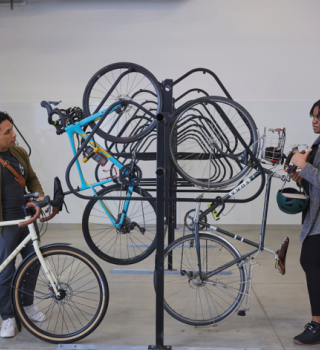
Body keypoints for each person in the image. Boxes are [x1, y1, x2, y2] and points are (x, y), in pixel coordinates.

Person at [0, 111, 46, 338]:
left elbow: (31, 178)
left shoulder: (18, 153)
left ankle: (26, 305)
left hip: (25, 217)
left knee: (33, 262)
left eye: (12, 129)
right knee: (6, 271)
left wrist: (38, 196)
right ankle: (7, 317)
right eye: (7, 132)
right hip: (4, 223)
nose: (13, 135)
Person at [290, 99, 320, 345]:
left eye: (319, 116)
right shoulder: (318, 143)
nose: (315, 120)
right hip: (316, 217)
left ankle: (317, 325)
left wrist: (304, 166)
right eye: (313, 116)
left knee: (311, 262)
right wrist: (299, 176)